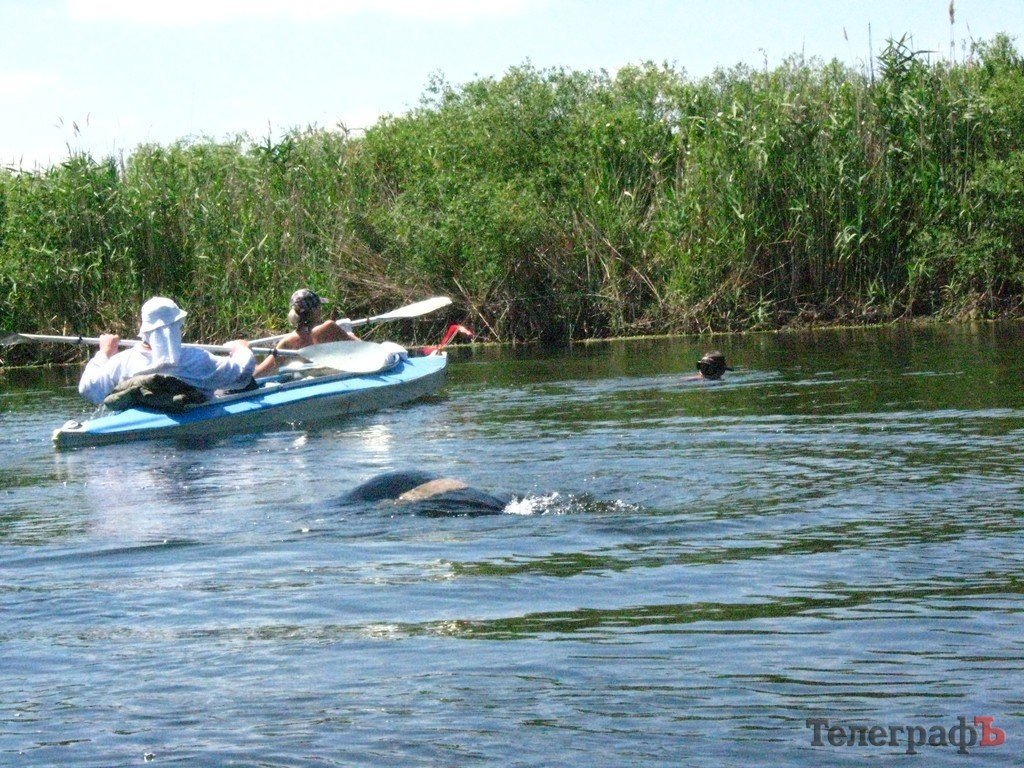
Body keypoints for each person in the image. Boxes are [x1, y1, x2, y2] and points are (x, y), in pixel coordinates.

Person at [78, 296, 255, 405]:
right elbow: (242, 375)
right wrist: (241, 349)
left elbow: (87, 389)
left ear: (144, 328)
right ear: (177, 326)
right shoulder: (195, 359)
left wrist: (105, 353)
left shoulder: (122, 362)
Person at [253, 288, 359, 377]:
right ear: (315, 311)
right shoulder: (329, 328)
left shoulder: (287, 342)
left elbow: (262, 371)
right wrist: (348, 332)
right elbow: (362, 348)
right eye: (319, 307)